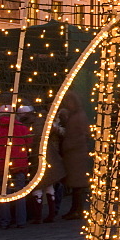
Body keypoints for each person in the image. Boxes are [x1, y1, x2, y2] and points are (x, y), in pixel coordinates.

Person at [0, 106, 33, 228]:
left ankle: (5, 221)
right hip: (20, 164)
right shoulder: (22, 128)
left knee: (5, 195)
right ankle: (21, 221)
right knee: (20, 194)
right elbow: (30, 144)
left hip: (3, 165)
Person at [27, 106, 65, 223]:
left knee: (38, 187)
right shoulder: (50, 125)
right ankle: (51, 215)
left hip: (38, 158)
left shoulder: (35, 125)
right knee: (50, 187)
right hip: (51, 158)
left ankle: (38, 216)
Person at [59, 91, 92, 220]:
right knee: (75, 185)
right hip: (74, 155)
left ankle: (77, 210)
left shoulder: (78, 116)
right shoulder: (75, 115)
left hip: (76, 155)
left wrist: (68, 146)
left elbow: (82, 135)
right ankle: (76, 209)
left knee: (77, 184)